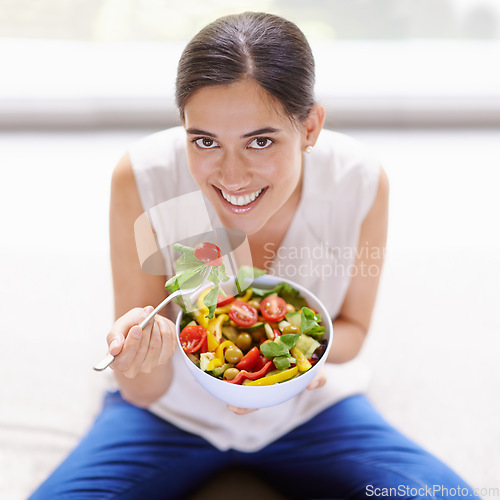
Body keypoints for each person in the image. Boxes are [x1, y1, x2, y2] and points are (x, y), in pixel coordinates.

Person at [29, 11, 478, 500]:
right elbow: (143, 390)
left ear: (310, 127)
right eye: (204, 141)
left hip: (311, 410)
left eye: (260, 141)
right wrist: (140, 353)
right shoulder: (143, 178)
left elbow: (353, 329)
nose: (233, 176)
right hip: (169, 415)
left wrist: (301, 367)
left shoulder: (361, 182)